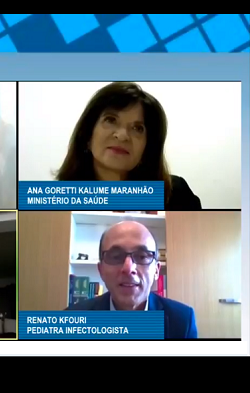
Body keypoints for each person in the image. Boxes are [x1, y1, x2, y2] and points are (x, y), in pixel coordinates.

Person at [54, 82, 201, 210]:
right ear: (87, 135)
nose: (122, 136)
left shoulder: (175, 195)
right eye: (111, 120)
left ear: (147, 148)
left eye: (137, 128)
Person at [66, 221, 197, 339]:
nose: (128, 268)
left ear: (156, 270)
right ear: (101, 270)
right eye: (116, 256)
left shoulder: (183, 320)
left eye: (142, 256)